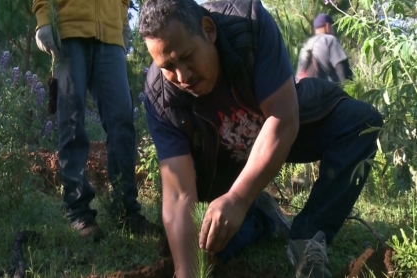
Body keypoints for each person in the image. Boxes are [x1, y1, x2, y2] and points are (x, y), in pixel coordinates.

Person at [138, 0, 383, 277]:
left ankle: (308, 237)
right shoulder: (160, 97)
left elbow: (283, 119)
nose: (182, 76)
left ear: (208, 30)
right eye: (168, 66)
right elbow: (179, 195)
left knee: (362, 123)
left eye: (187, 56)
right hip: (222, 162)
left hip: (284, 127)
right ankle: (262, 218)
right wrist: (187, 272)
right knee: (202, 245)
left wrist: (239, 198)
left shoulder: (248, 26)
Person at [32, 0, 159, 242]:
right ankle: (79, 213)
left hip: (110, 37)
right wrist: (43, 17)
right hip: (69, 30)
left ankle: (127, 210)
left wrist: (122, 21)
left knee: (122, 122)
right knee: (71, 122)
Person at [296, 13, 353, 83]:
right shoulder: (330, 40)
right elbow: (342, 69)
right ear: (327, 26)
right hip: (324, 90)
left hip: (304, 91)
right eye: (333, 27)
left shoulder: (307, 44)